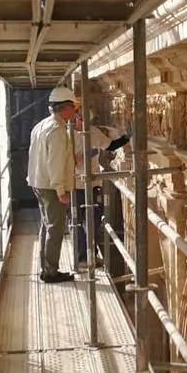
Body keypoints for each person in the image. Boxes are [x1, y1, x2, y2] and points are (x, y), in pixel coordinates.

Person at [27, 87, 80, 283]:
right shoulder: (58, 130)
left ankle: (46, 267)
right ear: (65, 108)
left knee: (47, 225)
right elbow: (55, 161)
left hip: (38, 182)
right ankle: (50, 272)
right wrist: (60, 190)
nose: (75, 112)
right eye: (73, 108)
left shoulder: (42, 125)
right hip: (50, 186)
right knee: (55, 229)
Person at [70, 113, 132, 268]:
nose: (82, 120)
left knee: (94, 220)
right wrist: (87, 155)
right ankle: (82, 257)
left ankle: (91, 254)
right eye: (79, 117)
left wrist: (127, 137)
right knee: (77, 222)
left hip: (93, 183)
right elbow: (67, 160)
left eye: (83, 117)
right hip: (75, 184)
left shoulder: (92, 131)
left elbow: (110, 145)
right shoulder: (65, 135)